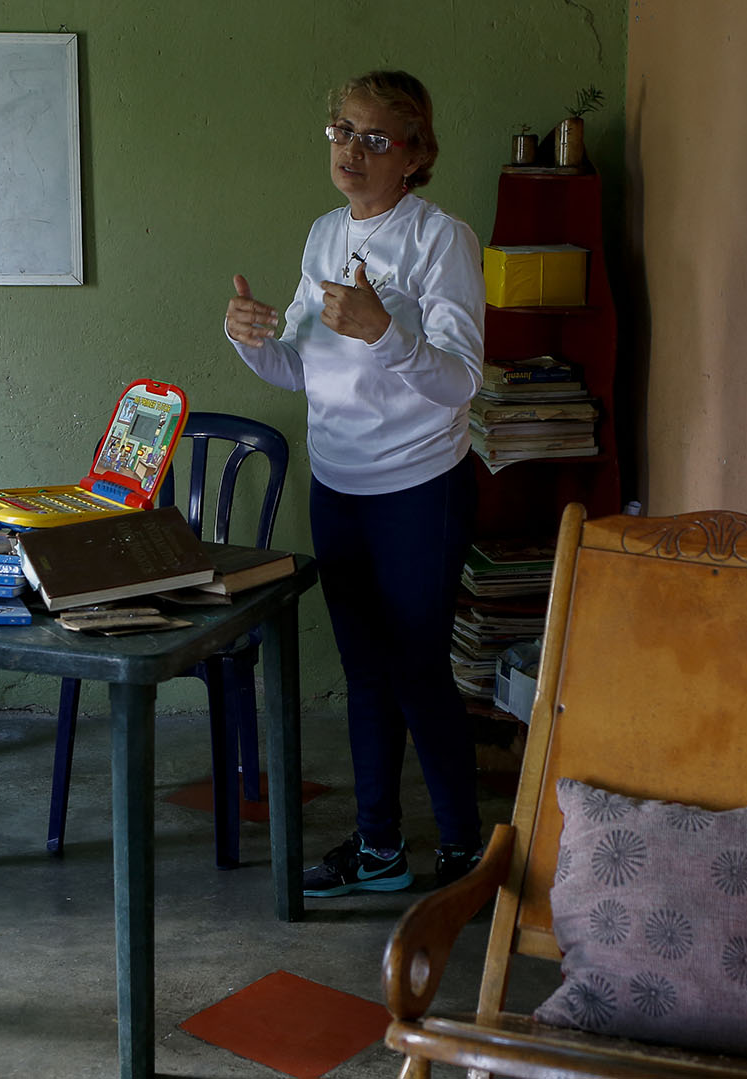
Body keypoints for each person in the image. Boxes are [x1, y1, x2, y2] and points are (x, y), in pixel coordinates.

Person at [223, 70, 484, 897]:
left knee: (418, 668)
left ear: (415, 156)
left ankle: (464, 848)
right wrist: (248, 337)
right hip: (338, 483)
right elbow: (299, 367)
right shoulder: (323, 233)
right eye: (342, 130)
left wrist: (387, 332)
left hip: (418, 485)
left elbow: (461, 379)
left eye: (377, 138)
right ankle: (379, 846)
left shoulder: (442, 240)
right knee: (366, 667)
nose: (352, 150)